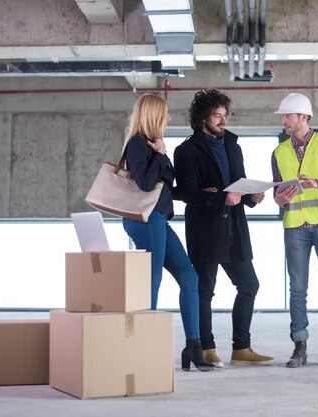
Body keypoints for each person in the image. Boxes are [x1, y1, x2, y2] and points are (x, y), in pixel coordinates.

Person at [173, 88, 274, 367]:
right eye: (216, 115)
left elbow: (237, 183)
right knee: (205, 290)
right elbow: (186, 193)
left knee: (249, 284)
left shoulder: (233, 145)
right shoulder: (186, 151)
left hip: (235, 229)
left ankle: (241, 349)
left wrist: (252, 196)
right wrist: (220, 198)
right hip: (206, 230)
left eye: (224, 114)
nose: (222, 120)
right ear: (202, 117)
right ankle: (206, 348)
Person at [121, 93, 214, 372]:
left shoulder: (153, 145)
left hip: (159, 218)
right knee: (153, 278)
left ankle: (193, 347)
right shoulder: (138, 145)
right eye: (165, 113)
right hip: (145, 219)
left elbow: (166, 189)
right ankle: (142, 348)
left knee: (189, 276)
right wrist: (161, 155)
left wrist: (198, 192)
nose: (169, 118)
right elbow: (147, 183)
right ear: (152, 115)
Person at [271, 93, 318, 368]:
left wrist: (317, 182)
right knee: (297, 290)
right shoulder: (279, 152)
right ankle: (299, 347)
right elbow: (278, 194)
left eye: (288, 116)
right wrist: (280, 198)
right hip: (295, 227)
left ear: (303, 117)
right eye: (283, 116)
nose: (284, 120)